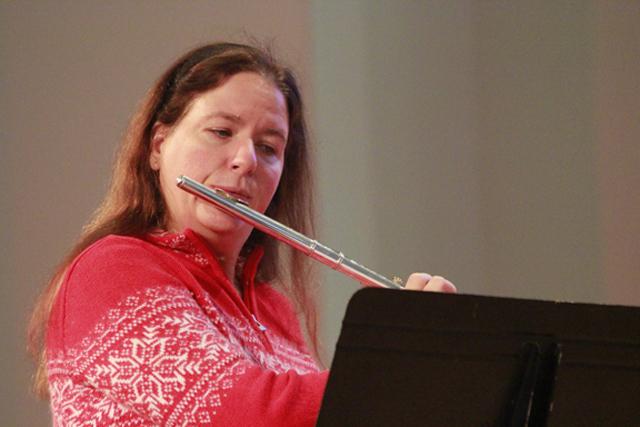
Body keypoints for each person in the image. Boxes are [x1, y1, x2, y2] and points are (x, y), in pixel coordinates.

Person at [28, 42, 456, 426]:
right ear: (158, 145)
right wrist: (402, 358)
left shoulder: (273, 309)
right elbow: (248, 416)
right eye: (221, 132)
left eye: (269, 147)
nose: (246, 160)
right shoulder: (112, 269)